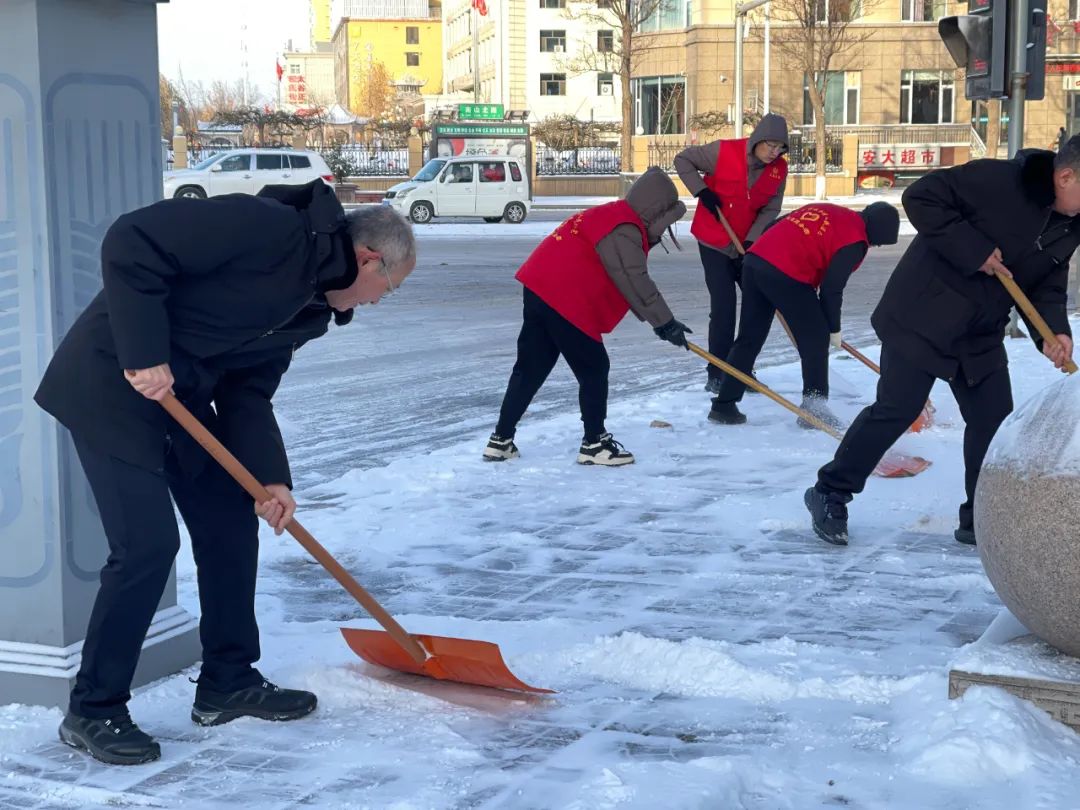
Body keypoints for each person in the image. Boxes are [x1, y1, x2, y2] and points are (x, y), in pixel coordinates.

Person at [34, 183, 416, 765]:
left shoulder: (310, 311)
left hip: (182, 400)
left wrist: (271, 479)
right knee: (146, 546)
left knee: (231, 523)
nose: (378, 302)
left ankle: (227, 681)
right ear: (368, 259)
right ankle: (94, 708)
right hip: (113, 379)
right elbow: (132, 240)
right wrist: (143, 350)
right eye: (388, 288)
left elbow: (248, 391)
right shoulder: (271, 229)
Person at [805, 140, 1080, 548]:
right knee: (897, 409)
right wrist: (976, 249)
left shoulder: (1071, 223)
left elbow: (1046, 284)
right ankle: (830, 491)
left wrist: (1052, 331)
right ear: (1065, 176)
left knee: (993, 422)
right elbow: (920, 197)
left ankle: (980, 519)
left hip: (980, 331)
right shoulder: (1000, 180)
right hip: (924, 312)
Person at [483, 167, 690, 466]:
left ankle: (500, 440)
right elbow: (634, 279)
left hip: (539, 288)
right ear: (655, 211)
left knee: (531, 367)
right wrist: (665, 322)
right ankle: (595, 442)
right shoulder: (625, 228)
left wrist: (661, 321)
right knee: (594, 368)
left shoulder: (610, 214)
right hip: (565, 298)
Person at [708, 202, 900, 428]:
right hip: (787, 274)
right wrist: (832, 328)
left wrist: (764, 253)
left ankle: (724, 405)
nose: (873, 246)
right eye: (877, 243)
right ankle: (814, 409)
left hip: (755, 261)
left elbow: (774, 224)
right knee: (816, 339)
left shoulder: (829, 209)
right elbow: (831, 289)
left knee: (749, 338)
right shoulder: (855, 241)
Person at [674, 114, 789, 394]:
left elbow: (771, 209)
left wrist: (752, 240)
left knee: (757, 306)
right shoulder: (723, 151)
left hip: (746, 244)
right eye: (771, 146)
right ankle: (717, 372)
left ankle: (741, 368)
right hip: (713, 240)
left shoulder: (779, 170)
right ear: (758, 140)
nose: (774, 153)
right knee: (724, 307)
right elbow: (683, 160)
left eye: (780, 148)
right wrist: (701, 191)